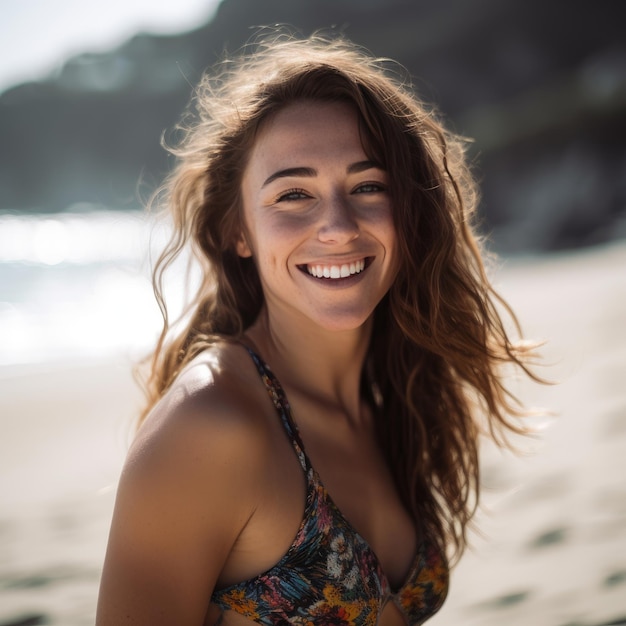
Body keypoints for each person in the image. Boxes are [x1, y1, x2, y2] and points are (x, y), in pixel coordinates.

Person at [96, 31, 541, 626]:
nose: (336, 225)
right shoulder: (208, 427)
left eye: (367, 186)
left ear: (408, 210)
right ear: (239, 232)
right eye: (293, 195)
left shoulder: (396, 396)